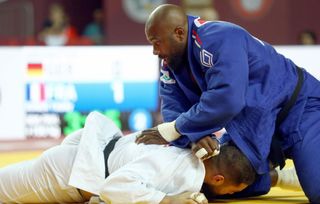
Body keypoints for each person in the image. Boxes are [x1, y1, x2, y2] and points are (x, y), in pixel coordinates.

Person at [136, 4, 320, 203]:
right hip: (256, 123)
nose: (154, 51)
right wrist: (193, 137)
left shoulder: (219, 37)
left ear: (179, 33)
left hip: (299, 109)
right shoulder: (170, 62)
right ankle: (280, 177)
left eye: (157, 42)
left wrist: (177, 128)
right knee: (213, 180)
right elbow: (173, 106)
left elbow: (227, 99)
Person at [0, 111, 258, 204]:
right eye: (230, 192)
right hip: (71, 172)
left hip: (90, 149)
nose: (229, 197)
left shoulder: (195, 145)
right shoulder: (185, 179)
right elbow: (115, 185)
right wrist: (167, 201)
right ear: (219, 178)